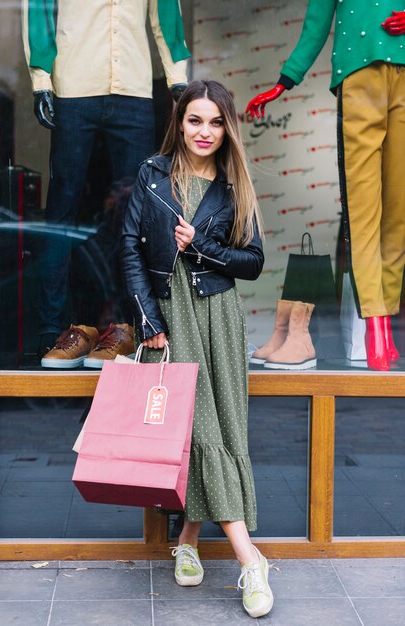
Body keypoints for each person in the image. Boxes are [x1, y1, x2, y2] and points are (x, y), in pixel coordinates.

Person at [120, 80, 273, 619]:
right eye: (194, 121)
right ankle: (250, 559)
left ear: (226, 127)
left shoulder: (235, 186)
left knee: (224, 427)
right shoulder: (154, 174)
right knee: (199, 429)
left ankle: (186, 539)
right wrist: (146, 321)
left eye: (214, 122)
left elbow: (252, 262)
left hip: (219, 317)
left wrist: (200, 247)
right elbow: (130, 248)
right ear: (179, 123)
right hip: (172, 316)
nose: (203, 132)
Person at [22, 0, 190, 361]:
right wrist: (41, 80)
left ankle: (131, 326)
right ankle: (53, 329)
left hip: (133, 90)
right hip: (73, 88)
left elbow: (166, 17)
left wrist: (178, 80)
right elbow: (38, 10)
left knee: (137, 215)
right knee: (62, 209)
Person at [246, 3, 405, 371]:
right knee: (365, 210)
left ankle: (386, 320)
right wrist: (286, 79)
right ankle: (377, 327)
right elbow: (316, 21)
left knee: (399, 211)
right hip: (359, 74)